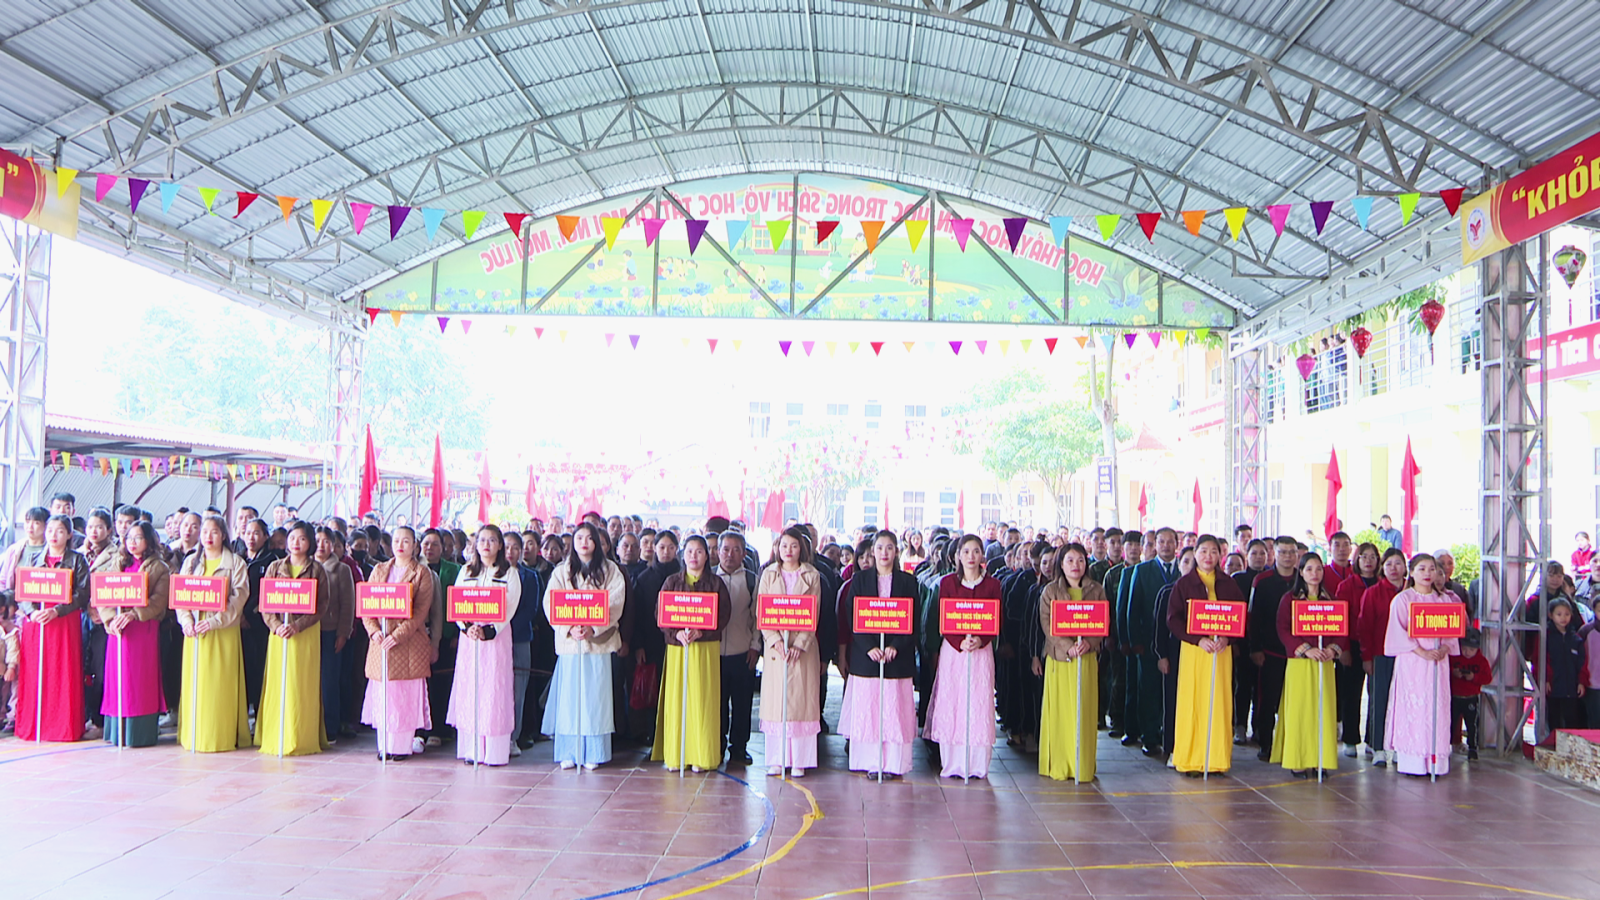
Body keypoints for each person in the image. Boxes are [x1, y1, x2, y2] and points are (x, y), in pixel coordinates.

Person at [542, 522, 628, 770]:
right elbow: (551, 603)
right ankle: (569, 751)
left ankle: (594, 752)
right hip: (571, 645)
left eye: (590, 538)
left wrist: (593, 627)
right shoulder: (562, 571)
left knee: (595, 699)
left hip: (597, 645)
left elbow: (615, 602)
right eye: (579, 537)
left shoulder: (610, 570)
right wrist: (569, 627)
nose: (584, 542)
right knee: (570, 699)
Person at [838, 530, 919, 779]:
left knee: (894, 713)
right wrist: (869, 647)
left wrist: (896, 645)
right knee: (870, 712)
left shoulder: (908, 582)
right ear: (872, 551)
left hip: (897, 659)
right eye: (880, 548)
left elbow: (913, 620)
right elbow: (853, 617)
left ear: (897, 551)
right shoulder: (860, 580)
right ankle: (871, 763)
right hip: (867, 659)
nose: (884, 553)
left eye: (889, 548)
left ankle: (894, 764)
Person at [1166, 535, 1246, 776]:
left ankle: (1216, 760)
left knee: (1218, 701)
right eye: (1203, 551)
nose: (1208, 556)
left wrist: (1228, 638)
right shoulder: (1184, 584)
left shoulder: (1229, 584)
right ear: (1195, 554)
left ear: (1220, 555)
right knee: (1193, 702)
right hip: (1195, 651)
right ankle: (1190, 759)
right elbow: (1173, 619)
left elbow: (1241, 617)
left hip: (1220, 652)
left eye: (1213, 551)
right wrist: (1197, 639)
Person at [651, 535, 732, 773]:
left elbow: (724, 614)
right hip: (678, 648)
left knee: (702, 701)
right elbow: (660, 613)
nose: (694, 556)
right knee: (678, 699)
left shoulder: (715, 583)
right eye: (689, 552)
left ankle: (701, 755)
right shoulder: (671, 582)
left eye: (699, 552)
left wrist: (702, 631)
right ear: (682, 555)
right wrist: (675, 633)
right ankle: (677, 755)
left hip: (705, 649)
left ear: (707, 556)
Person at [927, 534, 1002, 779]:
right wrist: (960, 641)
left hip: (981, 652)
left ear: (982, 555)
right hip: (954, 651)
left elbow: (995, 619)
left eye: (976, 551)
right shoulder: (947, 583)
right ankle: (953, 762)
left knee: (978, 701)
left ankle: (977, 764)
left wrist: (981, 639)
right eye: (966, 551)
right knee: (953, 701)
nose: (971, 556)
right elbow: (944, 619)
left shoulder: (993, 585)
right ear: (957, 556)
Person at [176, 515, 253, 752]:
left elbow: (239, 598)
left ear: (224, 535)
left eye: (214, 532)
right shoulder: (191, 562)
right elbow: (181, 596)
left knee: (219, 686)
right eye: (205, 532)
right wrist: (186, 621)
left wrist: (214, 621)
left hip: (223, 633)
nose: (208, 537)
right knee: (196, 684)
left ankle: (220, 735)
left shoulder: (236, 563)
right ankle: (195, 735)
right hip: (195, 634)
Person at [12, 512, 91, 742]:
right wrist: (31, 611)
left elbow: (82, 593)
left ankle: (62, 726)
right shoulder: (33, 558)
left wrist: (57, 610)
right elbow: (21, 591)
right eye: (50, 530)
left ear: (69, 535)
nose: (54, 535)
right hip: (36, 623)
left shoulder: (77, 560)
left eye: (60, 531)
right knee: (35, 673)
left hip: (64, 622)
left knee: (62, 672)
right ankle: (34, 725)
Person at [447, 525, 522, 766]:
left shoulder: (509, 573)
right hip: (470, 641)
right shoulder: (466, 571)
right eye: (482, 540)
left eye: (492, 540)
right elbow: (457, 601)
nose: (486, 545)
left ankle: (495, 752)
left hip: (496, 640)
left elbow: (510, 605)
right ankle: (472, 750)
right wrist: (467, 626)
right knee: (470, 689)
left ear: (500, 545)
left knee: (494, 690)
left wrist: (490, 629)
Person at [362, 526, 437, 760]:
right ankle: (383, 746)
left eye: (406, 541)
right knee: (383, 695)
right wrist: (374, 631)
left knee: (404, 697)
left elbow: (420, 612)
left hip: (408, 644)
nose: (400, 545)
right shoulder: (379, 569)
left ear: (415, 545)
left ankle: (401, 747)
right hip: (380, 643)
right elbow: (367, 605)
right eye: (396, 540)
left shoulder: (422, 573)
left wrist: (397, 635)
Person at [257, 521, 332, 756]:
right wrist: (277, 626)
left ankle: (302, 735)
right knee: (279, 683)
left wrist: (298, 625)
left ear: (310, 542)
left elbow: (322, 605)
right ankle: (276, 734)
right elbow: (265, 604)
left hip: (305, 634)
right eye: (292, 538)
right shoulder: (275, 567)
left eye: (302, 538)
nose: (296, 543)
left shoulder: (317, 570)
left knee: (301, 684)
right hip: (278, 635)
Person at [1384, 553, 1462, 776]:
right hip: (1413, 663)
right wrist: (1421, 652)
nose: (1428, 574)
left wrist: (1444, 649)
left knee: (1437, 706)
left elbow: (1451, 633)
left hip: (1437, 662)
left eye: (1432, 569)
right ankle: (1413, 761)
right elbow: (1397, 632)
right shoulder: (1403, 600)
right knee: (1414, 707)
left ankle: (1436, 760)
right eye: (1422, 569)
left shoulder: (1444, 600)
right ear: (1412, 572)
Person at [94, 521, 170, 747]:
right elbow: (104, 593)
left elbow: (158, 601)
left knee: (138, 680)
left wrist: (134, 614)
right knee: (116, 679)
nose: (132, 543)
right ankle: (116, 730)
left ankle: (139, 732)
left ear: (149, 540)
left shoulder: (159, 567)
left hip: (142, 631)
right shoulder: (117, 563)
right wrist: (110, 619)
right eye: (129, 538)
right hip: (118, 630)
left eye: (138, 538)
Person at [1035, 541, 1104, 782]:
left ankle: (1081, 765)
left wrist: (1090, 643)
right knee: (1061, 712)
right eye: (1070, 560)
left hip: (1086, 659)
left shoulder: (1097, 590)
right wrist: (1068, 647)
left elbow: (1103, 622)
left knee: (1083, 711)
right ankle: (1059, 762)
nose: (1076, 565)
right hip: (1060, 659)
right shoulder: (1050, 591)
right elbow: (1047, 625)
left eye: (1080, 560)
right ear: (1061, 565)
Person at [757, 526, 823, 777]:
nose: (788, 550)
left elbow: (814, 612)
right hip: (777, 651)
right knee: (777, 704)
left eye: (793, 546)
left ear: (801, 549)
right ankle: (777, 759)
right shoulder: (768, 574)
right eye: (784, 545)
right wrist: (775, 641)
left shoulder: (811, 575)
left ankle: (799, 761)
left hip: (802, 651)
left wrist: (800, 644)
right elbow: (762, 612)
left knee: (800, 704)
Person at [1272, 553, 1343, 777]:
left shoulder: (1330, 600)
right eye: (1309, 569)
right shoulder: (1290, 599)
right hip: (1300, 663)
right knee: (1300, 710)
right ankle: (1298, 760)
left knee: (1323, 710)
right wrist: (1305, 649)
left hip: (1324, 663)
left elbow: (1341, 630)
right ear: (1301, 572)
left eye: (1319, 569)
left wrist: (1332, 650)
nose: (1315, 574)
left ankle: (1321, 759)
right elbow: (1283, 629)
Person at [1123, 527, 1180, 757]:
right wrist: (1134, 640)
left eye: (1170, 541)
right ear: (1155, 544)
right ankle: (1149, 737)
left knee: (1173, 691)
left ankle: (1171, 736)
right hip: (1148, 643)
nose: (1166, 546)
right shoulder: (1142, 570)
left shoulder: (1185, 570)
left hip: (1176, 643)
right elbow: (1132, 609)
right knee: (1149, 690)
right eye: (1161, 541)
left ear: (1177, 544)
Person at [1358, 548, 1407, 766]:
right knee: (1379, 700)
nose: (1394, 569)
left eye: (1398, 563)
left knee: (1403, 702)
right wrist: (1367, 657)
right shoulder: (1373, 593)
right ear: (1382, 568)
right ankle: (1377, 747)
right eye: (1389, 564)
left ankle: (1399, 745)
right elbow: (1364, 627)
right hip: (1381, 654)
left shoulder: (1413, 592)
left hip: (1408, 656)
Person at [716, 532, 760, 765]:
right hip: (713, 654)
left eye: (736, 550)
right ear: (717, 552)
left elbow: (758, 618)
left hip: (743, 652)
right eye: (725, 549)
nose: (730, 555)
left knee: (742, 704)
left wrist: (755, 646)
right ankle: (717, 745)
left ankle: (739, 748)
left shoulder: (753, 580)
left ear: (744, 554)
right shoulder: (709, 577)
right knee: (716, 704)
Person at [1333, 542, 1379, 756]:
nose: (1368, 561)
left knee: (1377, 694)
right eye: (1364, 557)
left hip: (1378, 645)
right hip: (1351, 644)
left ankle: (1373, 739)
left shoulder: (1382, 584)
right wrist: (1342, 648)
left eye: (1372, 557)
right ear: (1357, 560)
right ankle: (1350, 739)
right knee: (1351, 694)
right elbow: (1340, 619)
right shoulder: (1347, 586)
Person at [503, 530, 545, 758]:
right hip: (494, 639)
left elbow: (531, 610)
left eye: (515, 548)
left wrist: (507, 629)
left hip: (520, 638)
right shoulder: (491, 573)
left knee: (518, 692)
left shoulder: (531, 576)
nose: (510, 552)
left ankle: (513, 737)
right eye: (506, 547)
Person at [313, 527, 356, 745]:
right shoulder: (306, 566)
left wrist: (343, 633)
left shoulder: (341, 569)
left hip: (330, 631)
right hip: (306, 631)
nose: (321, 545)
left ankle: (330, 727)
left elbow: (348, 604)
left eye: (326, 541)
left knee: (329, 681)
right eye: (317, 540)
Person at [421, 529, 460, 748]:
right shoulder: (415, 568)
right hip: (418, 635)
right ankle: (421, 729)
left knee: (441, 682)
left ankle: (440, 729)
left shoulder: (454, 570)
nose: (430, 548)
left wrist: (455, 633)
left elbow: (458, 603)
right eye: (426, 543)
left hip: (445, 634)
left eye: (435, 544)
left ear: (443, 548)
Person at [1230, 538, 1268, 745]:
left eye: (1262, 553)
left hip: (1265, 642)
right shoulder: (1238, 579)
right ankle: (1240, 725)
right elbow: (1234, 613)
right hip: (1243, 641)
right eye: (1254, 553)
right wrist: (1235, 642)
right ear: (1247, 556)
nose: (1258, 557)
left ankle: (1259, 727)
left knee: (1261, 688)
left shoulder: (1270, 578)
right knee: (1243, 685)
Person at [1542, 597, 1588, 730]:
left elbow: (1582, 662)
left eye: (1567, 614)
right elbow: (1542, 661)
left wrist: (1581, 682)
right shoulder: (1545, 636)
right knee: (1553, 719)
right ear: (1551, 615)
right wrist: (1545, 680)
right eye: (1559, 614)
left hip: (1572, 687)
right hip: (1553, 687)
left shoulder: (1576, 639)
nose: (1563, 618)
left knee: (1572, 719)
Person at [1448, 627, 1490, 760]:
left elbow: (1488, 678)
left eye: (1471, 650)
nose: (1467, 652)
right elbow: (1444, 670)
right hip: (1455, 696)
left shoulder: (1481, 661)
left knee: (1472, 725)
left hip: (1471, 697)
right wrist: (1453, 672)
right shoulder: (1454, 657)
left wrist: (1474, 677)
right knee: (1451, 723)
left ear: (1478, 648)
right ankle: (1447, 745)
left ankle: (1472, 748)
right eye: (1464, 648)